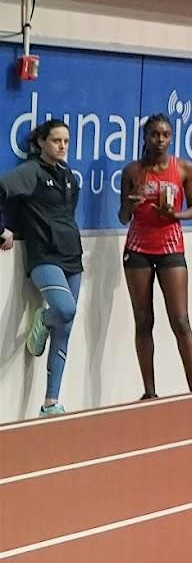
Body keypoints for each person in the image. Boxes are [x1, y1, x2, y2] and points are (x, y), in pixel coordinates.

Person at [0, 121, 83, 416]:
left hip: (72, 256)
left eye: (66, 141)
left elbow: (64, 215)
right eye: (56, 140)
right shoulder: (31, 172)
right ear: (41, 143)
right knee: (64, 309)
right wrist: (3, 230)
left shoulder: (70, 178)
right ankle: (43, 318)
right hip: (44, 256)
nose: (62, 146)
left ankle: (51, 402)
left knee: (67, 327)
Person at [118, 114, 192, 400]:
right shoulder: (132, 171)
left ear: (172, 137)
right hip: (138, 248)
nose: (160, 140)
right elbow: (122, 217)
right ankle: (149, 391)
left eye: (165, 134)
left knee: (180, 319)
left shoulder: (184, 169)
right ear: (145, 137)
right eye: (154, 134)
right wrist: (130, 204)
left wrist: (174, 214)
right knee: (143, 320)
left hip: (171, 248)